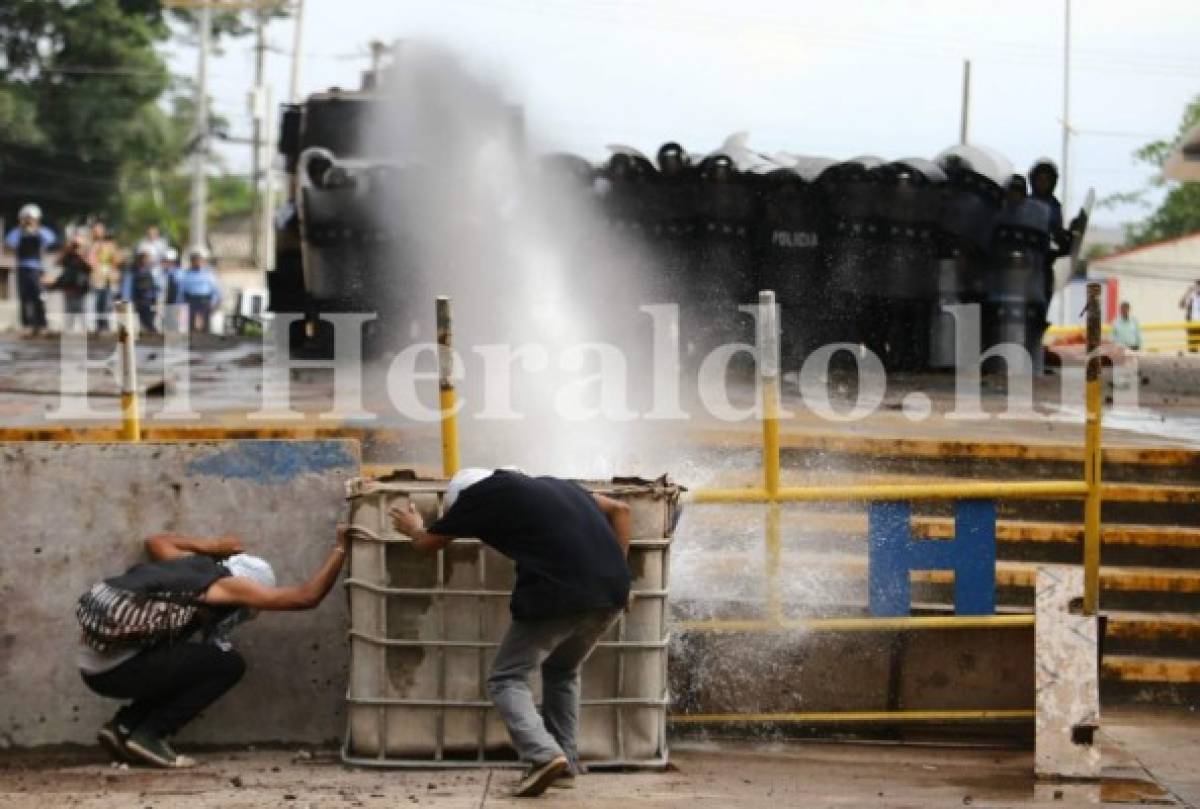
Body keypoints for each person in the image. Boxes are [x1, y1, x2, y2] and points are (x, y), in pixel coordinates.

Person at [389, 468, 632, 798]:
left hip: (560, 592)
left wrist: (414, 528)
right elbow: (621, 510)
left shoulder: (478, 495)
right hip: (613, 593)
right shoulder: (557, 484)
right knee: (561, 670)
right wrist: (616, 575)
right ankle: (566, 764)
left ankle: (544, 755)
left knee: (506, 678)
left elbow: (429, 544)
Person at [77, 527, 349, 769]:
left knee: (185, 655)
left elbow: (155, 541)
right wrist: (341, 548)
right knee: (227, 664)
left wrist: (212, 546)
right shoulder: (227, 585)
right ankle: (150, 734)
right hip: (118, 671)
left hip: (93, 669)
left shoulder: (189, 568)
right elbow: (305, 598)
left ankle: (124, 726)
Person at [4, 204, 57, 337]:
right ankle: (26, 325)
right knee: (24, 298)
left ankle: (42, 324)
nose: (28, 221)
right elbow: (9, 243)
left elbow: (51, 239)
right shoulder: (17, 233)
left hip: (37, 269)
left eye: (31, 219)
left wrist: (36, 229)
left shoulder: (41, 232)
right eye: (26, 219)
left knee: (39, 296)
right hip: (22, 268)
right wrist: (21, 229)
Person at [50, 232, 93, 333]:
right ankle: (68, 332)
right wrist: (68, 250)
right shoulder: (68, 254)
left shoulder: (86, 253)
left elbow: (91, 266)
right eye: (74, 244)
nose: (76, 247)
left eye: (78, 244)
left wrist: (81, 255)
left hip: (82, 288)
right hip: (69, 288)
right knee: (69, 313)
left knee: (83, 312)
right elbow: (57, 262)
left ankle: (86, 332)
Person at [87, 222, 120, 333]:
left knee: (106, 303)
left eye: (99, 231)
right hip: (95, 278)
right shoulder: (90, 245)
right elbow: (90, 261)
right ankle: (98, 326)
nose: (97, 233)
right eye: (95, 231)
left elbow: (115, 260)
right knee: (95, 303)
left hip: (106, 279)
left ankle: (105, 326)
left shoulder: (109, 245)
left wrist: (111, 272)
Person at [180, 247, 221, 334]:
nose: (197, 262)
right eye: (195, 260)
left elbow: (215, 290)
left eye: (199, 260)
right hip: (191, 300)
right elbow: (182, 289)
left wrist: (214, 302)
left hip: (204, 300)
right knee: (191, 324)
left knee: (205, 324)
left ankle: (205, 342)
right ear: (191, 262)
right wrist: (181, 302)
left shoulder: (209, 274)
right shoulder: (187, 274)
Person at [121, 247, 161, 333]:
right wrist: (127, 301)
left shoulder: (150, 271)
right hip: (140, 300)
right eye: (145, 258)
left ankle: (151, 334)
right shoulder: (133, 271)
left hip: (150, 300)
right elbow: (128, 288)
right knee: (146, 322)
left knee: (149, 321)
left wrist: (156, 297)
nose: (147, 261)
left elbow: (154, 286)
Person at [161, 248, 186, 333]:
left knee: (180, 332)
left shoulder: (180, 273)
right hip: (166, 307)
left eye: (167, 261)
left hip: (179, 307)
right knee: (168, 332)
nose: (165, 263)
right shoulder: (161, 274)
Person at [1180, 279, 1200, 352]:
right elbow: (1181, 305)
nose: (1197, 288)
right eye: (1196, 286)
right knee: (1192, 349)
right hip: (1192, 326)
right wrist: (1187, 292)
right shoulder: (1192, 298)